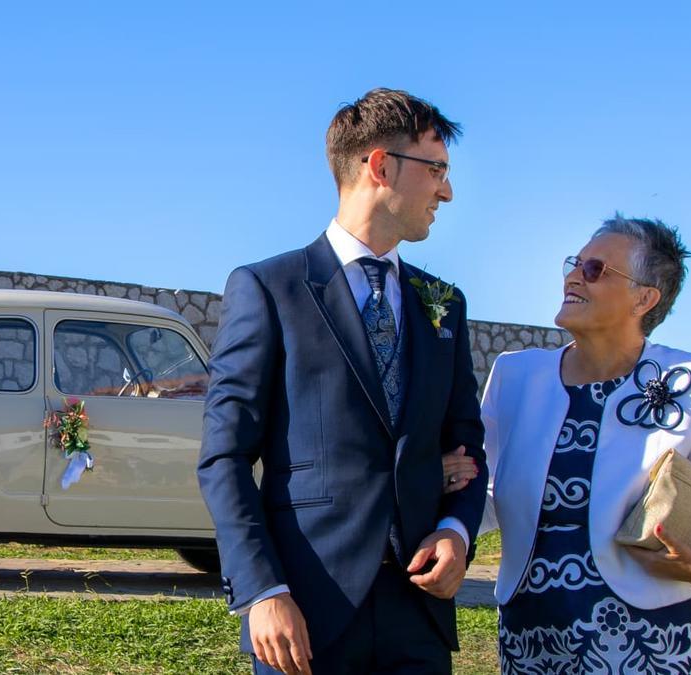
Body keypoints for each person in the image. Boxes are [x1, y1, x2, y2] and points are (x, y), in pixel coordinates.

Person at [197, 88, 488, 674]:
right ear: (381, 166)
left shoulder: (444, 304)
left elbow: (467, 445)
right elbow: (224, 457)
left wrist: (456, 530)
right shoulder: (270, 289)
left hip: (419, 613)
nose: (447, 191)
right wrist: (262, 591)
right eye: (437, 169)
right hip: (306, 611)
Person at [473, 216, 691, 673]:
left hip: (648, 641)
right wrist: (438, 520)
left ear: (644, 298)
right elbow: (483, 489)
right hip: (531, 638)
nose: (573, 277)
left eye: (595, 269)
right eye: (574, 263)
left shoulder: (690, 381)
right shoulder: (515, 376)